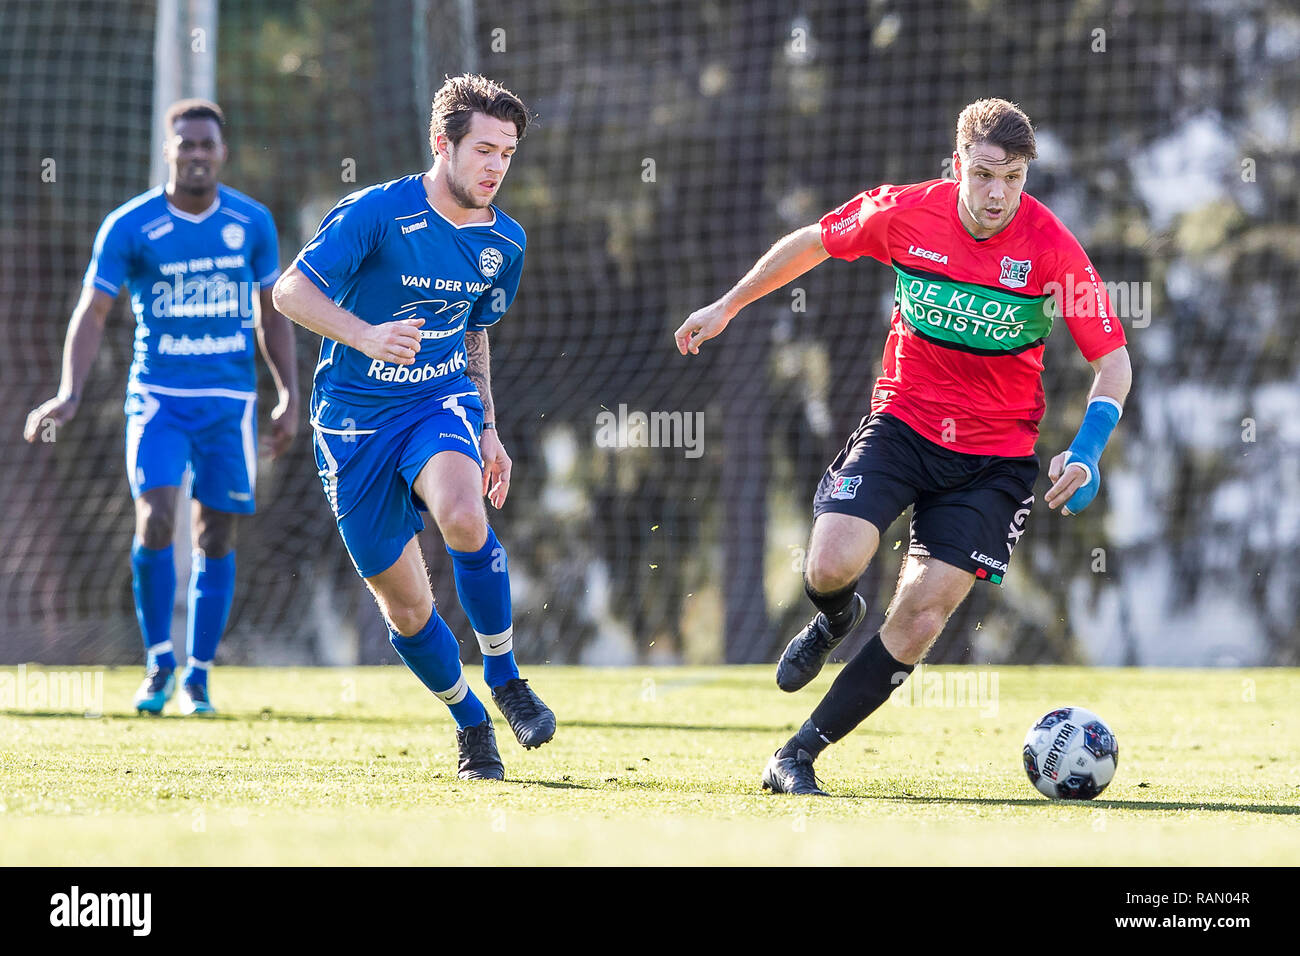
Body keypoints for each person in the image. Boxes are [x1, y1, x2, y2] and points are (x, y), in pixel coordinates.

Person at [674, 98, 1132, 795]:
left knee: (920, 617)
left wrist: (1088, 449)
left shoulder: (1052, 248)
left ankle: (796, 755)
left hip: (993, 461)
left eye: (1013, 178)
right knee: (831, 563)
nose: (998, 194)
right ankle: (835, 616)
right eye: (984, 174)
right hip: (902, 426)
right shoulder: (905, 212)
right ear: (958, 164)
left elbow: (1113, 364)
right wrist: (728, 305)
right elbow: (814, 241)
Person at [272, 74, 555, 781]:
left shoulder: (505, 242)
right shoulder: (375, 212)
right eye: (483, 150)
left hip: (438, 400)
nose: (495, 167)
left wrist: (488, 427)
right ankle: (470, 722)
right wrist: (366, 334)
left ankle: (506, 676)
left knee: (462, 512)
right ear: (442, 144)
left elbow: (475, 331)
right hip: (352, 425)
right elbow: (289, 291)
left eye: (507, 153)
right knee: (406, 606)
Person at [24, 99, 299, 716]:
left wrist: (288, 393)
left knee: (216, 532)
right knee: (154, 517)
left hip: (229, 403)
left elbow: (271, 313)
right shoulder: (130, 225)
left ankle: (198, 674)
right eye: (186, 144)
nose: (196, 154)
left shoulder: (252, 222)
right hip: (158, 399)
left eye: (206, 144)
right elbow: (93, 310)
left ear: (222, 152)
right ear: (168, 150)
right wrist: (69, 391)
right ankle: (158, 663)